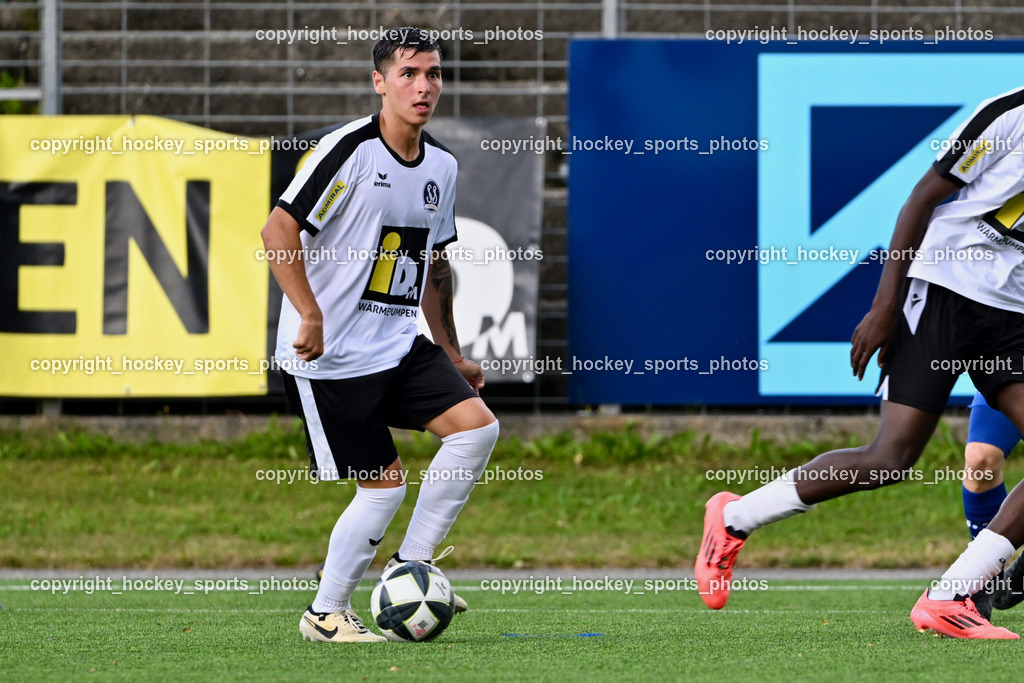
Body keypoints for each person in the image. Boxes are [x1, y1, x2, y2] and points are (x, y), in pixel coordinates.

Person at [695, 85, 1024, 639]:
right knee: (891, 457)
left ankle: (953, 594)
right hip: (943, 287)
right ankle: (733, 519)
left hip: (1012, 311)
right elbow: (922, 197)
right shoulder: (1012, 113)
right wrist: (885, 305)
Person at [260, 28, 499, 643]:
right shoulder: (348, 152)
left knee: (477, 430)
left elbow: (431, 265)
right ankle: (326, 613)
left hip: (396, 344)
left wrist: (452, 354)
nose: (424, 87)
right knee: (383, 486)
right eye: (409, 74)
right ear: (379, 82)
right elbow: (278, 231)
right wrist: (308, 313)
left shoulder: (442, 165)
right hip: (332, 356)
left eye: (434, 74)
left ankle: (408, 567)